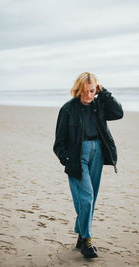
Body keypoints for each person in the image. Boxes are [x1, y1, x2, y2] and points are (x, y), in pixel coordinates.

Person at [53, 72, 123, 258]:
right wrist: (67, 160)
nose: (89, 96)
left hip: (98, 153)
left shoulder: (98, 105)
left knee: (91, 199)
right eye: (85, 91)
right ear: (78, 90)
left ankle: (80, 233)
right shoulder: (68, 109)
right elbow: (59, 142)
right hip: (78, 156)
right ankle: (87, 241)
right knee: (87, 198)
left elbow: (118, 113)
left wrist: (104, 92)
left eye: (93, 91)